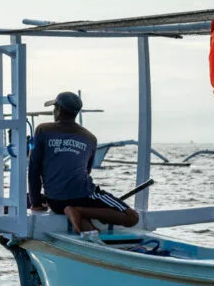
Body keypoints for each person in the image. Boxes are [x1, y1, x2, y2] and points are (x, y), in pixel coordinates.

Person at [29, 91, 138, 240]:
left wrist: (35, 203)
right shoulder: (90, 138)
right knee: (132, 217)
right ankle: (78, 211)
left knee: (91, 230)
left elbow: (34, 169)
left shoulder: (43, 130)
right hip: (83, 195)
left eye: (55, 108)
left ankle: (78, 215)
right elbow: (87, 171)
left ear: (59, 110)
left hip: (55, 201)